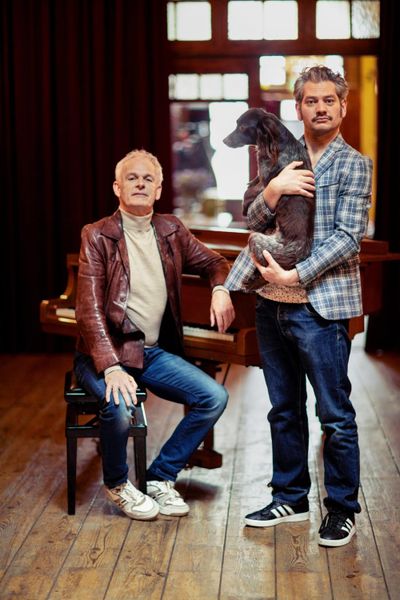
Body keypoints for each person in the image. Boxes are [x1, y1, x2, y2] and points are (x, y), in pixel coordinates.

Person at [225, 65, 372, 547]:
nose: (321, 108)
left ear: (343, 106)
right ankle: (290, 497)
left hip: (320, 308)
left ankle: (342, 509)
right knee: (283, 409)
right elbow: (251, 217)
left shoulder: (355, 164)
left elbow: (349, 238)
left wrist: (297, 275)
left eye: (329, 100)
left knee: (334, 414)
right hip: (270, 305)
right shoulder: (278, 154)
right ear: (298, 108)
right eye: (312, 101)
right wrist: (272, 191)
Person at [74, 149, 235, 521]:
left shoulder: (171, 230)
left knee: (213, 397)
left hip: (150, 352)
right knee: (119, 406)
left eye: (148, 179)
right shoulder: (97, 235)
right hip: (104, 355)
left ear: (159, 190)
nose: (140, 184)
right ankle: (118, 484)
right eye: (132, 178)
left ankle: (160, 476)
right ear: (117, 187)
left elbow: (214, 262)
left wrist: (219, 288)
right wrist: (111, 367)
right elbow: (88, 310)